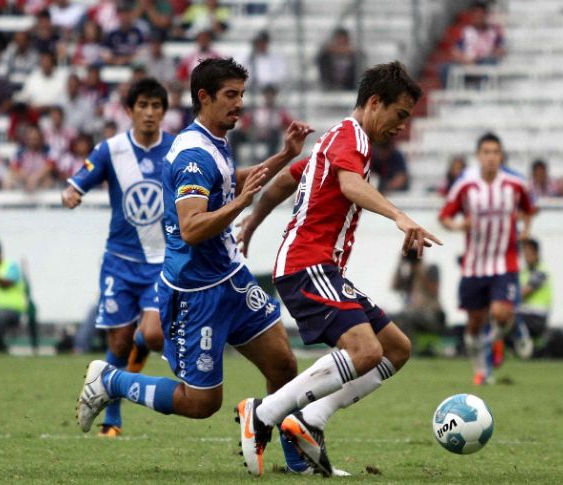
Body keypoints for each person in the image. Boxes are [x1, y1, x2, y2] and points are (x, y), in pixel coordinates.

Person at [75, 58, 321, 475]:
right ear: (203, 97)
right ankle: (111, 381)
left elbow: (230, 179)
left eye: (242, 94)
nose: (239, 103)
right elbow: (191, 228)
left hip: (231, 278)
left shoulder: (213, 142)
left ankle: (295, 458)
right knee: (202, 403)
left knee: (283, 364)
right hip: (196, 292)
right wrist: (242, 206)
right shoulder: (192, 154)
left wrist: (284, 156)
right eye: (230, 95)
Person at [232, 61, 441, 476]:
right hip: (306, 264)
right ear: (375, 102)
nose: (401, 126)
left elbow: (287, 180)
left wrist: (253, 222)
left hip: (320, 267)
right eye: (400, 115)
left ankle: (310, 419)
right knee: (365, 351)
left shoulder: (336, 140)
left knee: (396, 348)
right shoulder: (351, 139)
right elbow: (349, 186)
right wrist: (399, 216)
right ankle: (263, 413)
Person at [62, 78, 176, 437]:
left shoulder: (175, 149)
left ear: (163, 112)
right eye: (142, 105)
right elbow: (79, 180)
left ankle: (142, 344)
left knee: (154, 335)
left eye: (156, 106)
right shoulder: (110, 149)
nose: (149, 113)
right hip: (119, 261)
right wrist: (71, 193)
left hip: (161, 262)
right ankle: (112, 418)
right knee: (117, 343)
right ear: (129, 110)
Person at [438, 132, 537, 385]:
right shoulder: (466, 184)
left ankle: (514, 325)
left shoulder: (515, 183)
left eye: (495, 152)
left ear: (501, 155)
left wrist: (526, 228)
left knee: (500, 313)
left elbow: (529, 208)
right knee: (473, 326)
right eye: (486, 152)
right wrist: (459, 226)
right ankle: (482, 369)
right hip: (474, 266)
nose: (491, 157)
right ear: (478, 155)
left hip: (505, 263)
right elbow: (445, 216)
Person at [511, 238, 552, 359]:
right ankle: (526, 347)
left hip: (537, 316)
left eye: (528, 253)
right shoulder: (524, 271)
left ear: (536, 253)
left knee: (505, 318)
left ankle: (526, 342)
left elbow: (523, 292)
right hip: (524, 312)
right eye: (525, 253)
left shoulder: (541, 270)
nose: (526, 256)